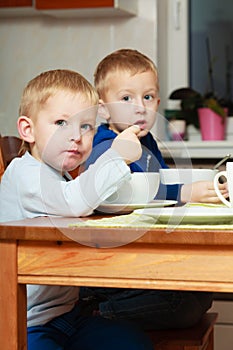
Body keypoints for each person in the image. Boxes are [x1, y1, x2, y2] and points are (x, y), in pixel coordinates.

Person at [0, 69, 154, 350]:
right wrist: (115, 156)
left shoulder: (60, 176)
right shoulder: (26, 174)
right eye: (61, 123)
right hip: (28, 321)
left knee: (134, 343)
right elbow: (73, 203)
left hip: (66, 316)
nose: (76, 136)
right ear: (28, 130)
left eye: (86, 126)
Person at [80, 49, 228, 331]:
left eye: (147, 97)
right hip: (108, 268)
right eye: (126, 98)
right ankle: (96, 314)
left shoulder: (147, 142)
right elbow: (129, 192)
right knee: (183, 305)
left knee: (201, 295)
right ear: (103, 109)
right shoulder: (104, 143)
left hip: (140, 255)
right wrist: (186, 192)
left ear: (157, 102)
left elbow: (159, 181)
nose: (140, 107)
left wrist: (203, 185)